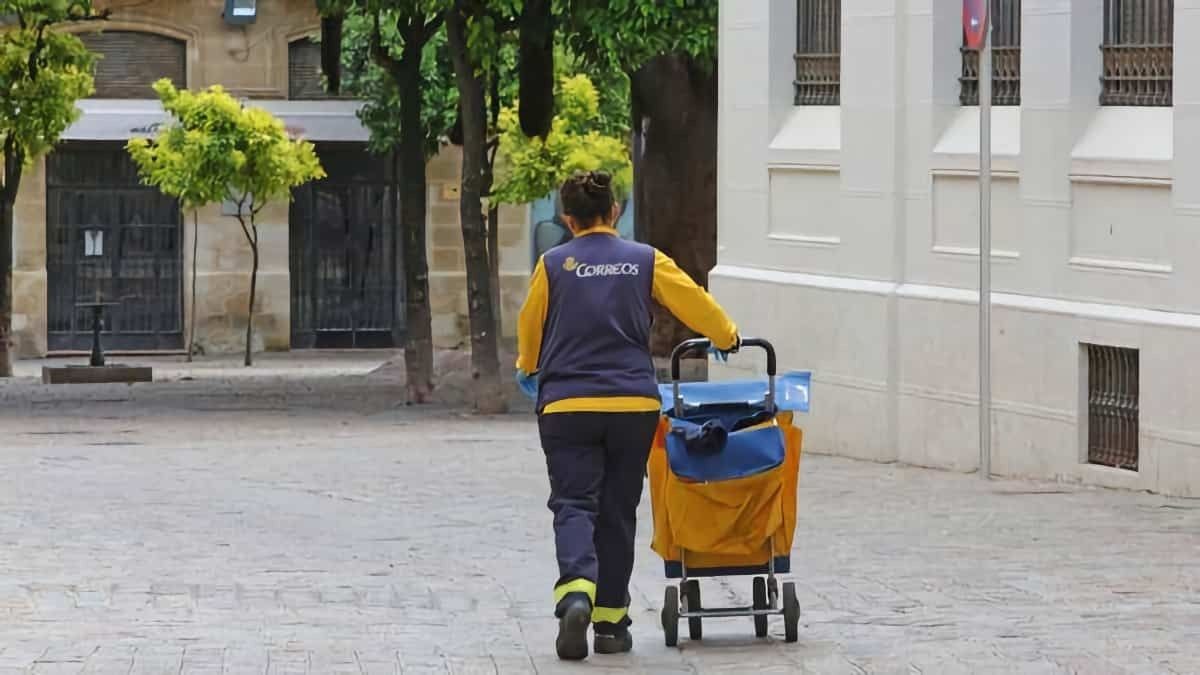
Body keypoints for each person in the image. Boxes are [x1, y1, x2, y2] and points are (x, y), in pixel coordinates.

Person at [515, 170, 741, 660]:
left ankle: (576, 592)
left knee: (574, 502)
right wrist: (727, 336)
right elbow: (690, 299)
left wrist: (528, 367)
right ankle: (612, 626)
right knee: (617, 512)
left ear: (568, 219)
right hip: (633, 404)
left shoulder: (553, 264)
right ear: (614, 212)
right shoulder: (644, 259)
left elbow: (530, 323)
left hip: (568, 405)